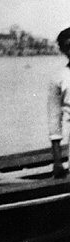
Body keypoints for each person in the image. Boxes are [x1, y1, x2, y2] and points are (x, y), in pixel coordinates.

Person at [47, 27, 70, 178]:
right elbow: (54, 120)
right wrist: (57, 161)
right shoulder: (58, 78)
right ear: (62, 50)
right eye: (69, 47)